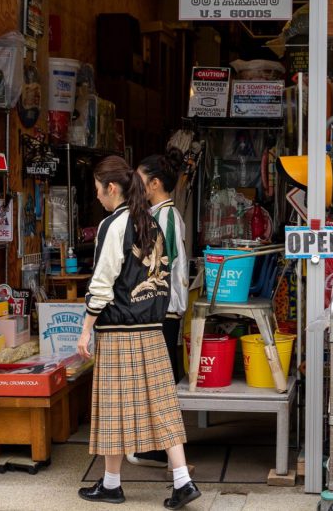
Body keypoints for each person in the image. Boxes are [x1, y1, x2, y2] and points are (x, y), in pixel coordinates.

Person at [76, 155, 201, 509]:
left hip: (119, 329)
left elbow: (102, 283)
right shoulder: (151, 221)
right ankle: (182, 481)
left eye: (98, 191)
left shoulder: (113, 225)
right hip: (152, 326)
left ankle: (113, 485)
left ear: (111, 188)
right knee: (162, 405)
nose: (98, 197)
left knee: (112, 409)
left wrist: (86, 329)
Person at [127, 150, 189, 470]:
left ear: (153, 183)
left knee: (159, 380)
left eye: (139, 180)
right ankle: (159, 447)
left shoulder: (164, 217)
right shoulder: (163, 214)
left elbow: (163, 267)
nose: (135, 186)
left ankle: (158, 449)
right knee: (160, 378)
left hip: (161, 309)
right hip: (165, 307)